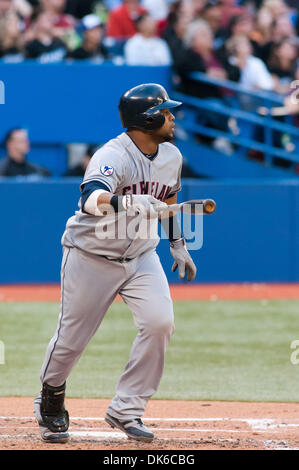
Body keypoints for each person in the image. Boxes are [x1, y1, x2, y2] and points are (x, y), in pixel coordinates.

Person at [33, 83, 197, 444]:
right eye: (166, 112)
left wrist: (178, 244)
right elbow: (90, 196)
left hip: (140, 255)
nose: (172, 118)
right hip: (92, 255)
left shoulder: (172, 156)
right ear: (147, 118)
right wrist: (126, 203)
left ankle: (127, 408)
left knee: (160, 322)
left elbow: (168, 200)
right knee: (71, 341)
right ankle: (51, 396)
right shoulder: (113, 154)